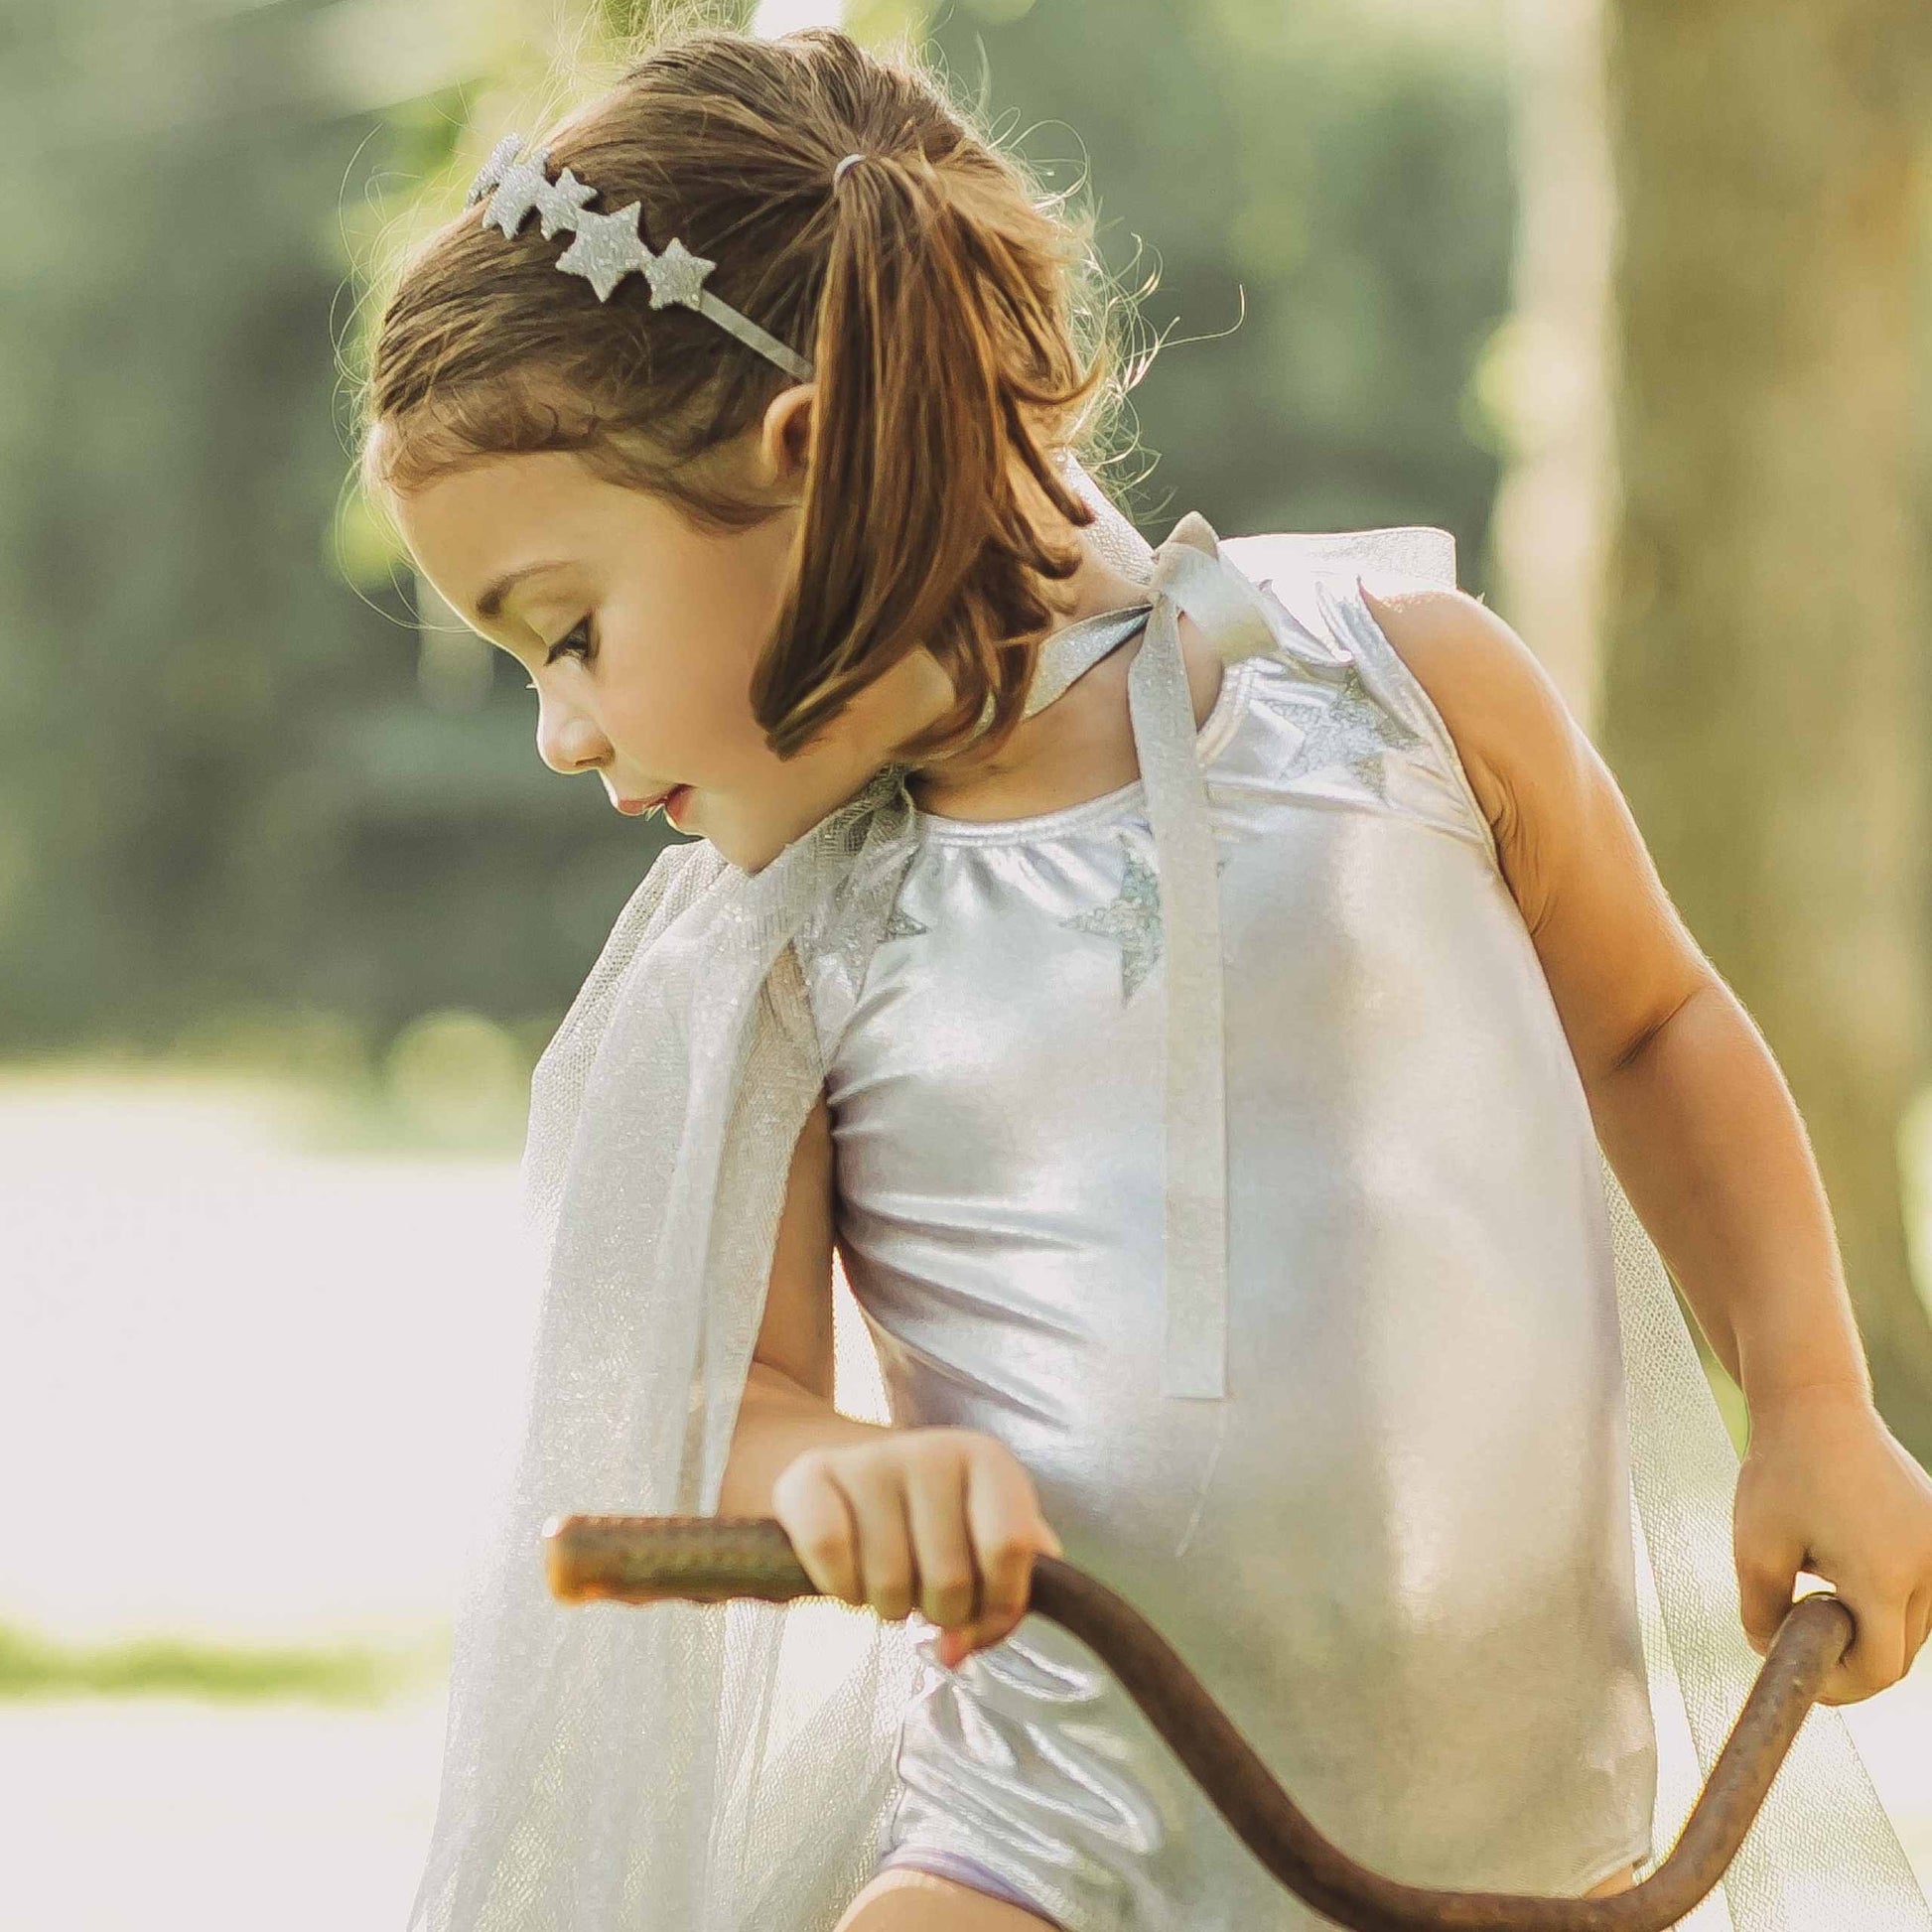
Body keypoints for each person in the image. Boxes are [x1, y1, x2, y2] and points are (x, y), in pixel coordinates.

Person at [358, 18, 1932, 1932]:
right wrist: (837, 1472)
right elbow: (720, 1390)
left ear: (815, 453)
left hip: (1519, 1826)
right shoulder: (800, 929)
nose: (560, 731)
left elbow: (1655, 1021)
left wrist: (1809, 1392)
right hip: (1046, 1825)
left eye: (569, 632)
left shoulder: (1398, 694)